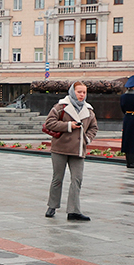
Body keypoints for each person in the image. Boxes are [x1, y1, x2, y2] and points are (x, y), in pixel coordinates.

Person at [44, 82, 98, 221]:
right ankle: (52, 206)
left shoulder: (89, 110)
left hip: (79, 149)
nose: (82, 95)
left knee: (77, 179)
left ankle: (73, 211)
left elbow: (94, 128)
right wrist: (69, 125)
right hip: (60, 148)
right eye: (79, 92)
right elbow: (49, 123)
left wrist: (87, 139)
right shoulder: (61, 106)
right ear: (73, 92)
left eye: (84, 92)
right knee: (57, 178)